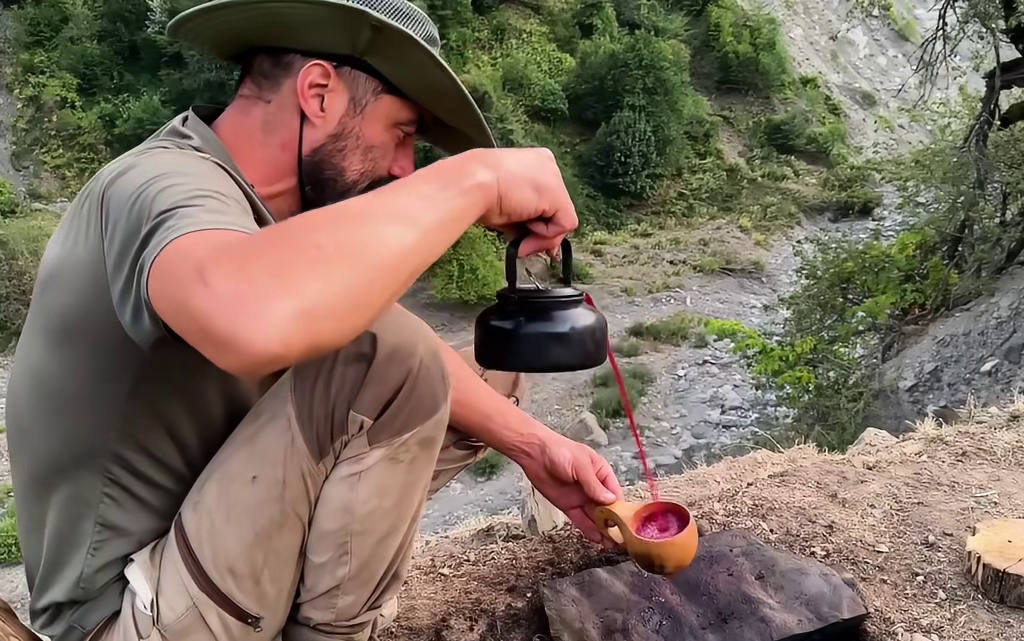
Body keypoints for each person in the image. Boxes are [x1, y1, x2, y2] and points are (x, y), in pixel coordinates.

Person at [1, 0, 624, 640]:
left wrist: (535, 447)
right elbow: (256, 320)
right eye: (402, 132)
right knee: (389, 358)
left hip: (216, 565)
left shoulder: (264, 216)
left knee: (485, 381)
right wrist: (475, 180)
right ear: (319, 93)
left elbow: (371, 330)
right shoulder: (159, 184)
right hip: (132, 613)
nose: (404, 166)